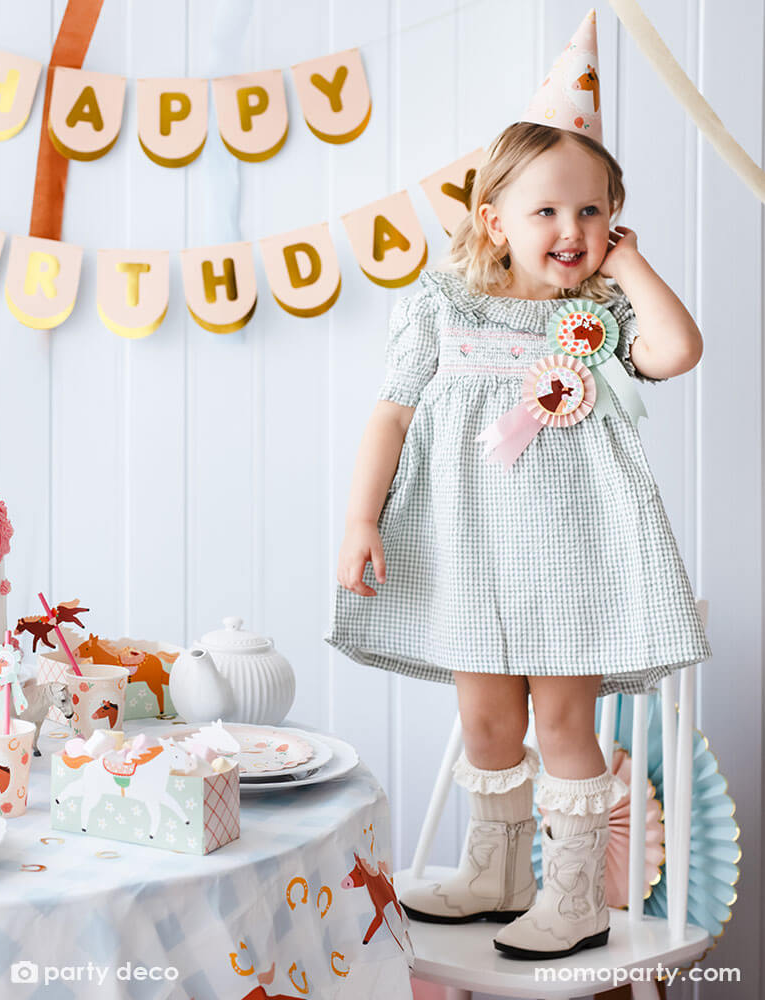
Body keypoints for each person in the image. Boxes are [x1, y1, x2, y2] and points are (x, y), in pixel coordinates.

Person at [324, 10, 711, 961]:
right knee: (486, 717)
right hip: (469, 550)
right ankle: (495, 873)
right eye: (545, 211)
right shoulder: (441, 306)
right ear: (493, 219)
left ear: (613, 222)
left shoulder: (605, 315)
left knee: (563, 718)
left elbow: (679, 350)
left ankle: (573, 893)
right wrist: (359, 521)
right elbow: (391, 415)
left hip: (570, 558)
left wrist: (632, 262)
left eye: (590, 213)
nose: (570, 230)